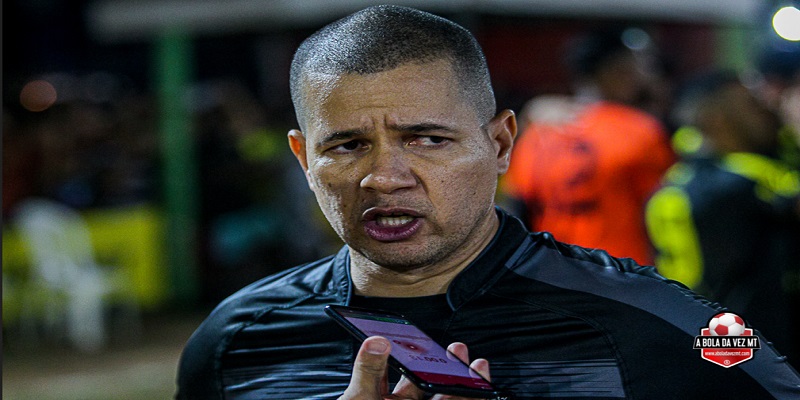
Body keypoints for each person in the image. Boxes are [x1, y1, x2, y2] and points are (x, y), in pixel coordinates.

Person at [176, 6, 800, 399]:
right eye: (346, 145)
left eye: (428, 139)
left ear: (499, 144)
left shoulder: (661, 322)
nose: (385, 178)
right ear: (304, 159)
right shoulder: (235, 339)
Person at [645, 70, 800, 370]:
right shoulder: (748, 176)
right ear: (718, 119)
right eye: (751, 104)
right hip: (759, 345)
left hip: (698, 338)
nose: (766, 110)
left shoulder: (673, 180)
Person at [501, 27, 675, 265]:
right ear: (617, 72)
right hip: (622, 273)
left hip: (554, 271)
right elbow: (664, 209)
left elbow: (516, 205)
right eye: (637, 68)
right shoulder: (641, 131)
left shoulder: (538, 131)